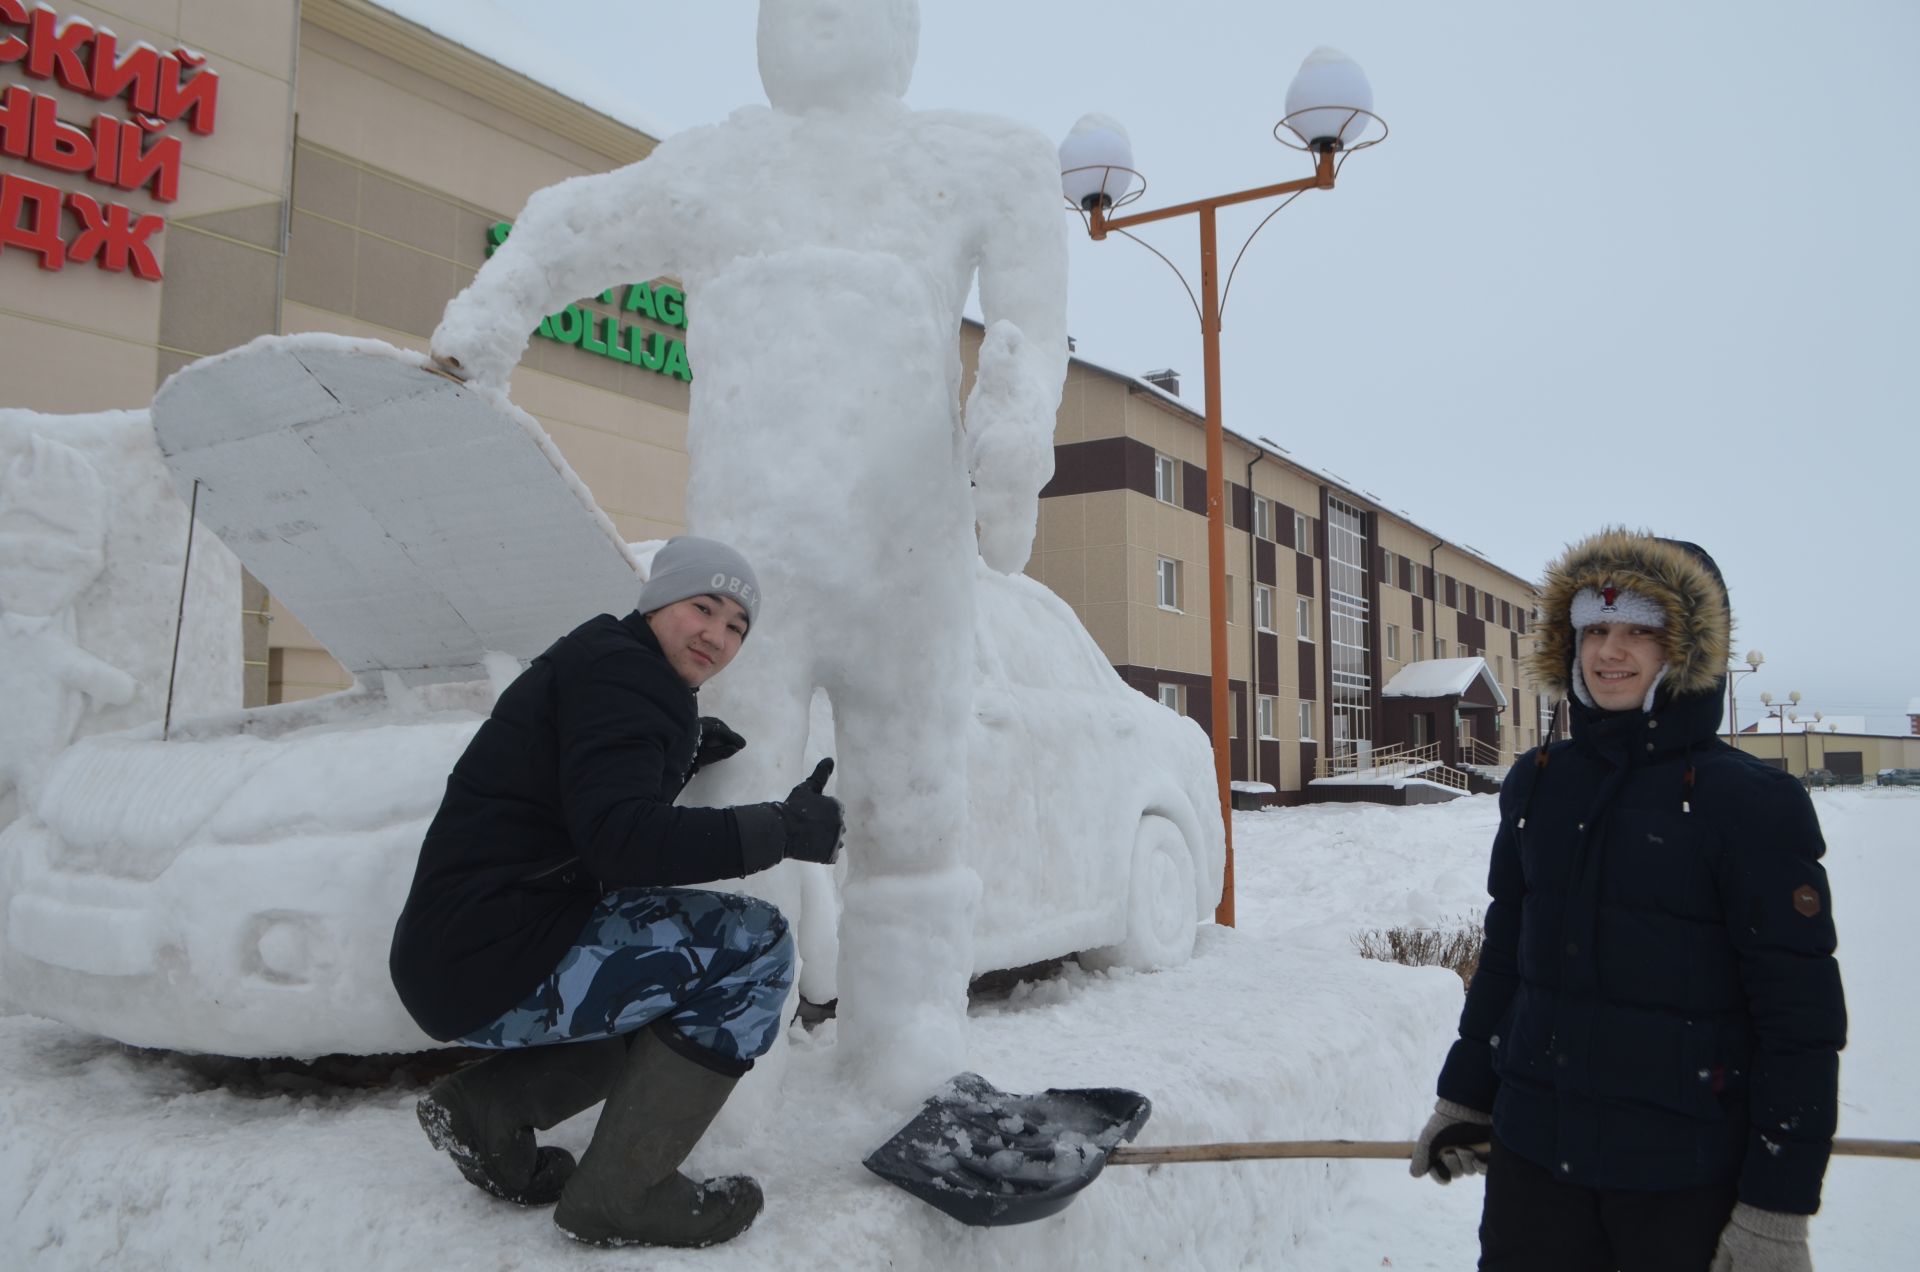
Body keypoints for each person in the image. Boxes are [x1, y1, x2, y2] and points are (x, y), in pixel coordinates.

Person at [427, 0, 1068, 1101]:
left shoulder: (984, 163)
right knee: (729, 809)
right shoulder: (720, 169)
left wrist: (1012, 443)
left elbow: (1031, 333)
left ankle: (903, 1045)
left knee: (913, 811)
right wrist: (493, 317)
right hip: (742, 574)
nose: (818, 21)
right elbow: (571, 226)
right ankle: (728, 1081)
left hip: (904, 558)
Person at [388, 535, 845, 1249]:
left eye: (737, 627)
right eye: (704, 607)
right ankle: (624, 1194)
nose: (718, 637)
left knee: (662, 982)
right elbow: (620, 842)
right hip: (495, 954)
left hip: (462, 952)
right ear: (659, 600)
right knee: (751, 949)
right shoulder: (625, 683)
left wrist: (677, 748)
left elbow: (586, 793)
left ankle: (488, 1112)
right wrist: (780, 829)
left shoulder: (611, 667)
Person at [1408, 528, 1846, 1272]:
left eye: (1640, 631)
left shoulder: (1751, 803)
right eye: (1595, 630)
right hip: (1536, 1172)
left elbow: (1797, 1023)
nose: (1610, 651)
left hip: (1680, 1182)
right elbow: (1511, 963)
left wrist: (1778, 1203)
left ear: (1688, 649)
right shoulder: (1539, 783)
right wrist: (1468, 1099)